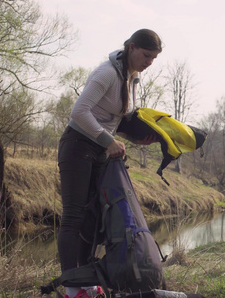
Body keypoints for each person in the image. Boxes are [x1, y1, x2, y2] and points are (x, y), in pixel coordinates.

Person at [57, 29, 163, 298]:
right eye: (146, 55)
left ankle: (86, 279)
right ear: (131, 47)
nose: (149, 62)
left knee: (92, 219)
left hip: (100, 150)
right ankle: (72, 288)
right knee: (74, 216)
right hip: (78, 146)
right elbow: (79, 112)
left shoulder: (131, 77)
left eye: (154, 58)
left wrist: (136, 139)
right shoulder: (106, 73)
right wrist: (108, 141)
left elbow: (113, 118)